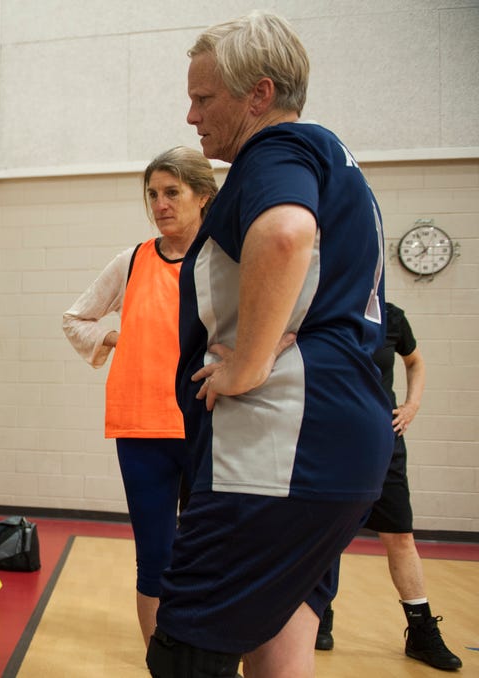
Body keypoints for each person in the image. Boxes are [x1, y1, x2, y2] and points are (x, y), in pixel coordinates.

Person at [148, 11, 393, 678]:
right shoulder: (333, 157)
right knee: (282, 639)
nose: (192, 115)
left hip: (278, 451)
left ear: (258, 94)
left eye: (204, 97)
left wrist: (246, 366)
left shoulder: (275, 150)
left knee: (186, 650)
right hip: (342, 445)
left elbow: (285, 233)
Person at [62, 146, 218, 648]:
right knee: (155, 553)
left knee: (210, 551)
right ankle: (161, 657)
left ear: (203, 197)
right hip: (141, 427)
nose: (161, 203)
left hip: (208, 423)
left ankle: (206, 646)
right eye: (153, 194)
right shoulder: (133, 260)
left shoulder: (222, 260)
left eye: (173, 192)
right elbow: (76, 318)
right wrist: (111, 339)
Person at [315, 302, 462, 670]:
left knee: (400, 536)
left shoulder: (392, 316)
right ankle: (319, 613)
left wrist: (412, 405)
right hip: (330, 439)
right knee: (324, 531)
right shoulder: (322, 305)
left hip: (383, 440)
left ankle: (421, 630)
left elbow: (415, 362)